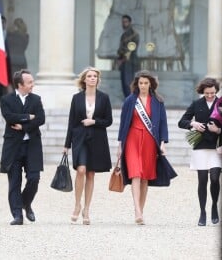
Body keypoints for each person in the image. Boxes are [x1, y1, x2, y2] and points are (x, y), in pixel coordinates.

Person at [117, 70, 168, 225]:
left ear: (151, 84)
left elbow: (163, 123)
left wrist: (163, 143)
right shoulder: (130, 101)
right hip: (132, 138)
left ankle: (141, 210)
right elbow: (123, 123)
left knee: (145, 177)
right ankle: (137, 210)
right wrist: (120, 145)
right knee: (135, 173)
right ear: (137, 84)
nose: (143, 86)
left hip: (150, 141)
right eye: (141, 83)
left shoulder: (158, 101)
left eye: (146, 83)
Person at [63, 66, 113, 225]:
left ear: (98, 80)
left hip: (97, 139)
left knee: (91, 174)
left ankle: (87, 209)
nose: (92, 78)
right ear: (84, 80)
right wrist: (66, 144)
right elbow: (71, 122)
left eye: (95, 76)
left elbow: (108, 120)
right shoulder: (76, 98)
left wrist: (94, 122)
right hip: (79, 139)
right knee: (81, 170)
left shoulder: (104, 98)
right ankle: (77, 205)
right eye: (89, 76)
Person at [0, 69, 45, 225]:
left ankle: (26, 203)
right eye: (30, 82)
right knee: (14, 182)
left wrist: (24, 126)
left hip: (32, 145)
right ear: (20, 85)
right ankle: (17, 215)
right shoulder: (6, 100)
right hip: (13, 147)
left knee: (34, 178)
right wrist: (28, 116)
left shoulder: (36, 99)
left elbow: (41, 119)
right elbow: (9, 117)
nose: (33, 84)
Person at [178, 77, 222, 226]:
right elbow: (182, 121)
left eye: (212, 93)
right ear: (202, 92)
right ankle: (202, 213)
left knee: (215, 179)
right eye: (207, 93)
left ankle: (214, 206)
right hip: (201, 146)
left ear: (216, 91)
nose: (210, 95)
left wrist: (219, 130)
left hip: (217, 147)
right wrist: (193, 123)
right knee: (202, 181)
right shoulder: (197, 104)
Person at [117, 14, 140, 98]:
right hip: (123, 62)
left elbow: (131, 48)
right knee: (124, 84)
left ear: (130, 22)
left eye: (126, 22)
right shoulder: (124, 35)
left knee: (128, 84)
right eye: (123, 22)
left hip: (130, 62)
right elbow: (120, 48)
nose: (124, 24)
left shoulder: (134, 34)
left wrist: (122, 58)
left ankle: (131, 103)